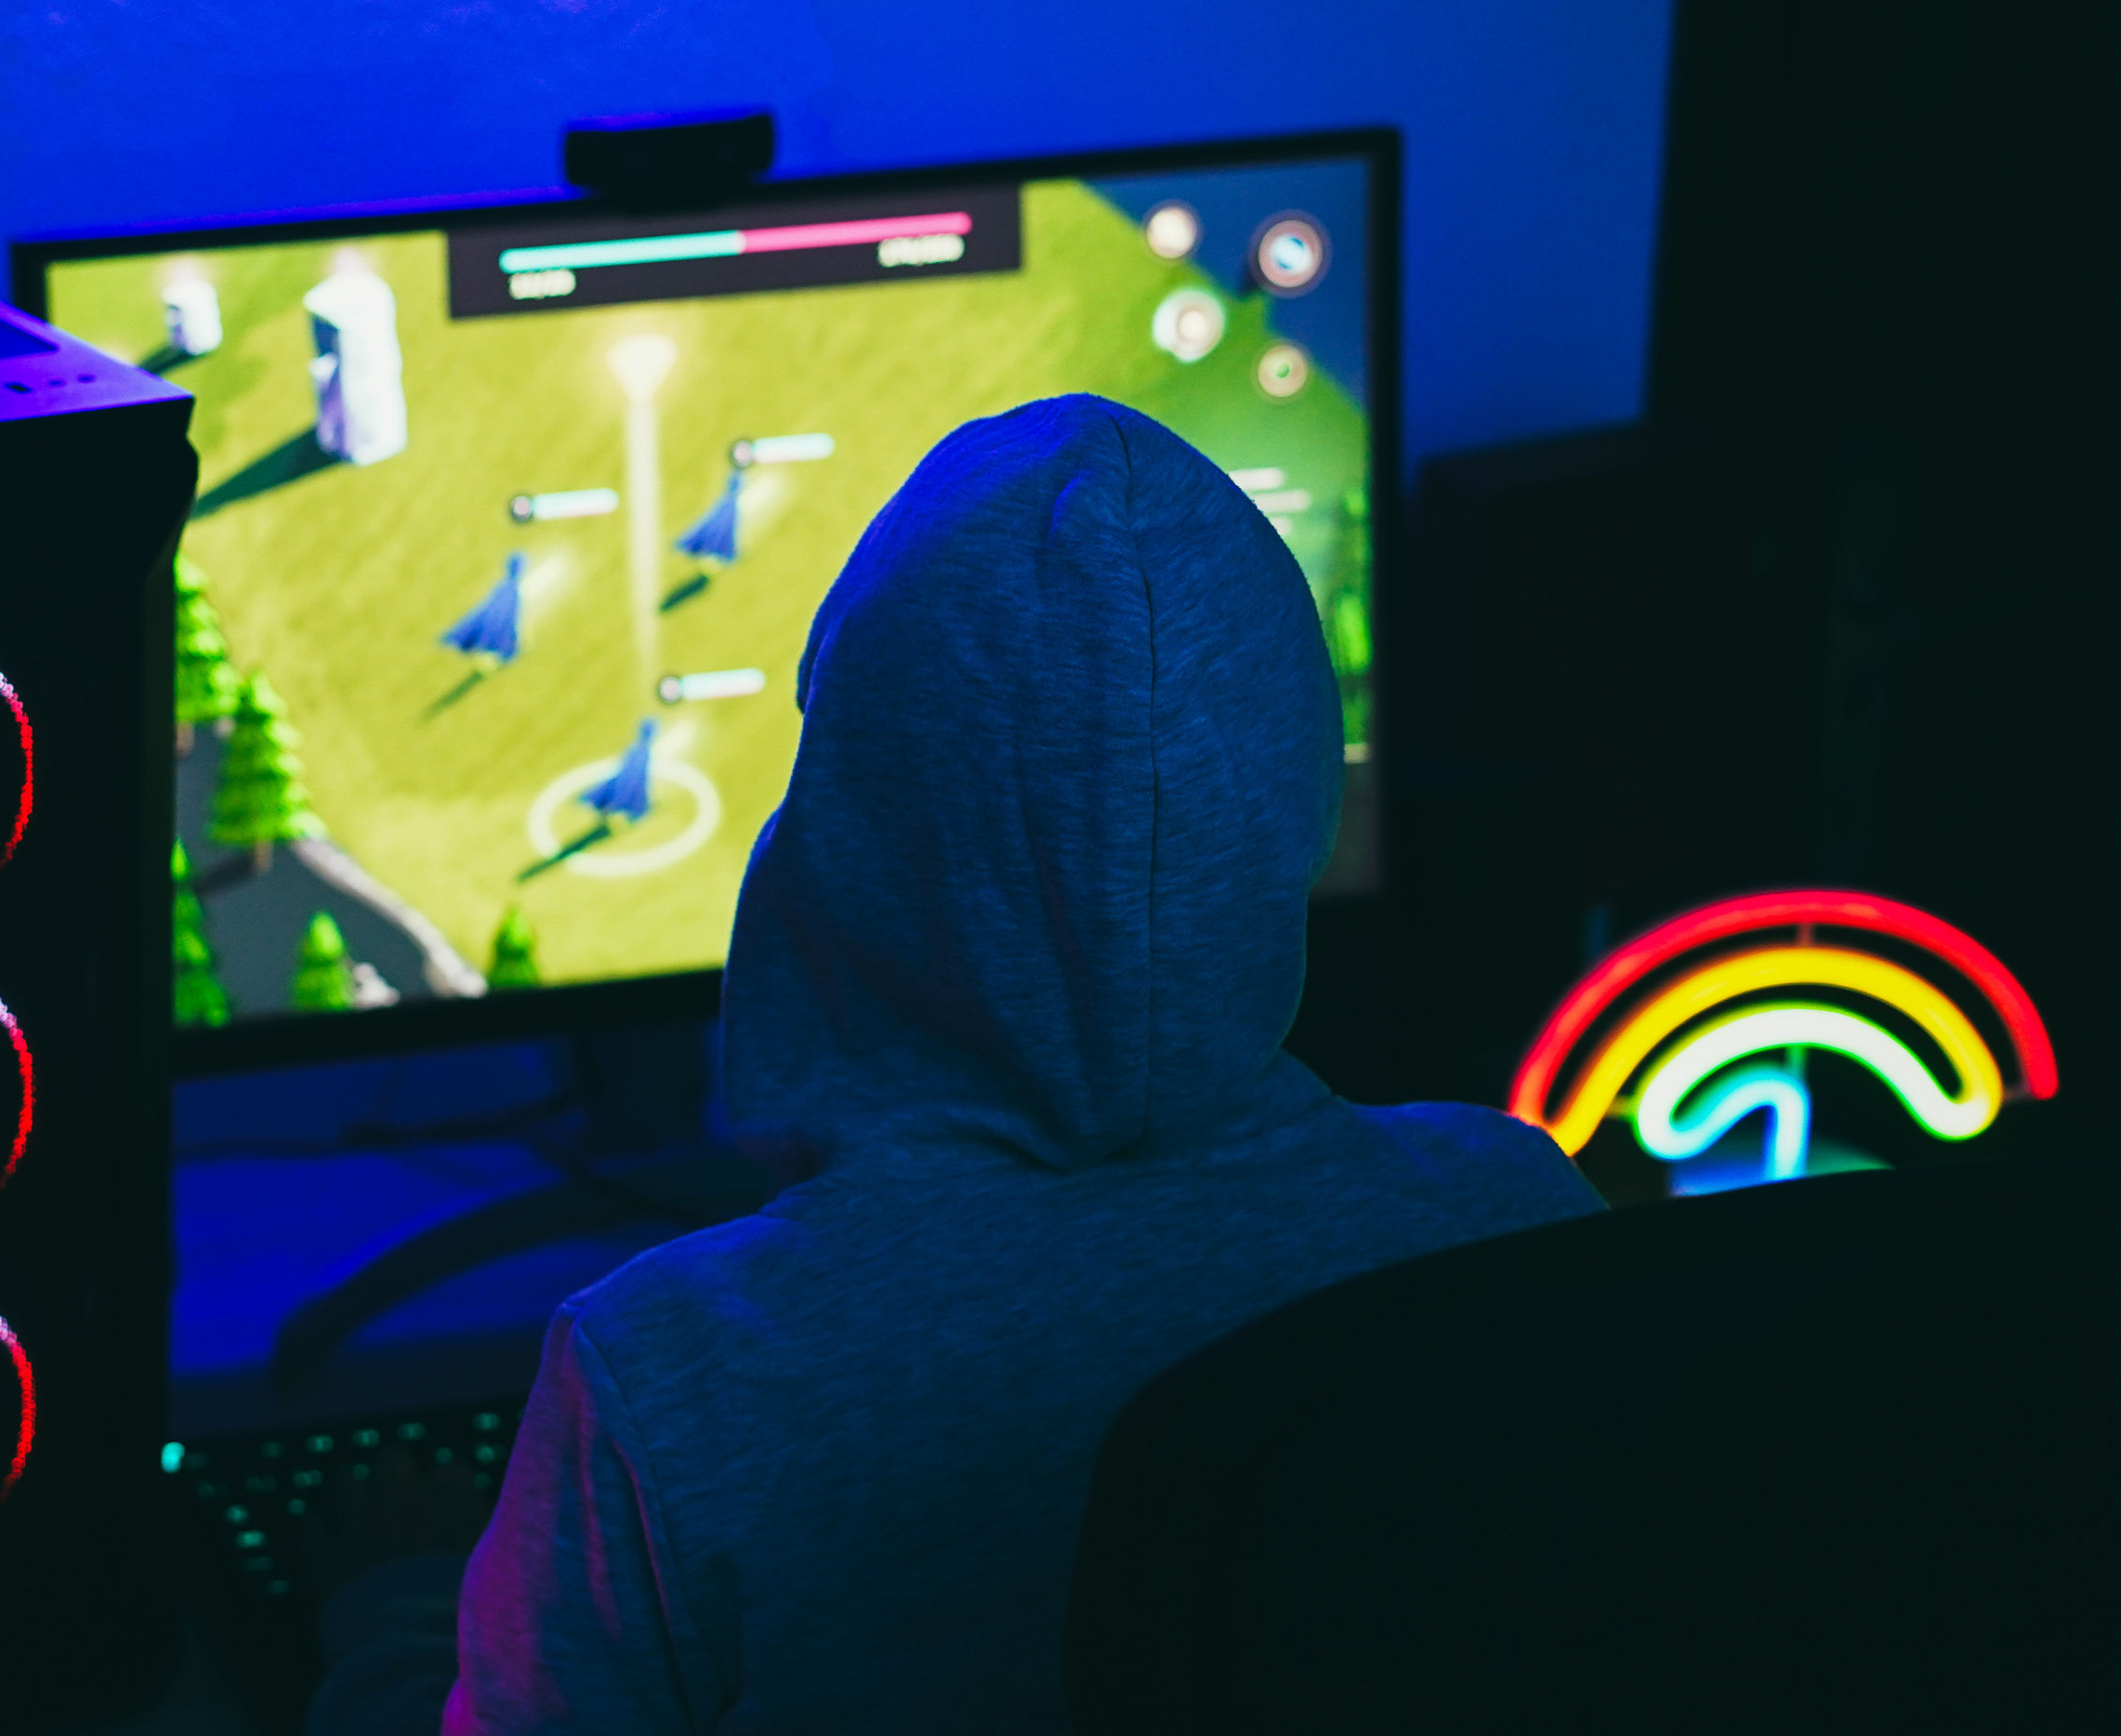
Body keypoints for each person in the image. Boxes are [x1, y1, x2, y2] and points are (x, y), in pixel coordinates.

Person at [312, 396, 1603, 1733]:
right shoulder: (1517, 1221)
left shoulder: (676, 1379)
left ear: (846, 827)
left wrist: (391, 1616)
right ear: (1285, 799)